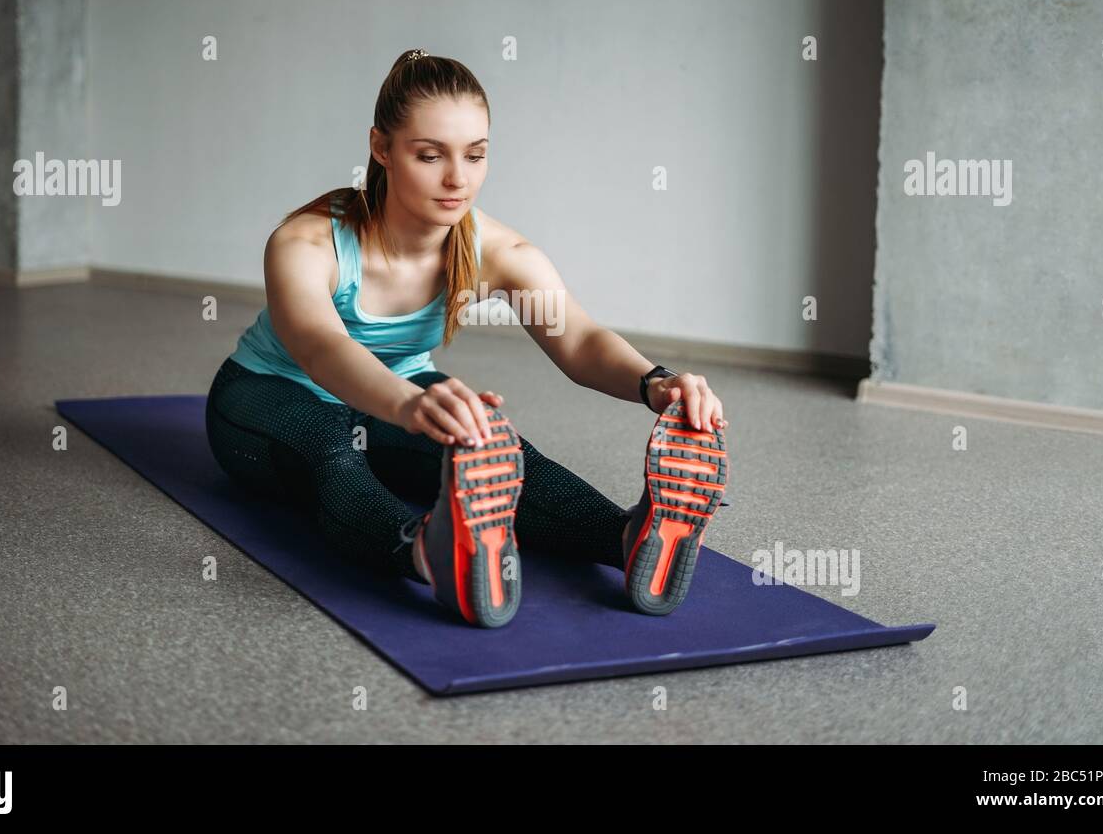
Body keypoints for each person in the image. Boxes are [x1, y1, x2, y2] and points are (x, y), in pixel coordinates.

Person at [205, 49, 729, 628]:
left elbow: (577, 340)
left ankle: (626, 538)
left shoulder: (497, 251)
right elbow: (320, 348)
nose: (458, 179)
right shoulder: (307, 242)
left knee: (496, 445)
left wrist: (657, 382)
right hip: (266, 395)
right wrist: (410, 403)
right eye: (430, 156)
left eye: (475, 156)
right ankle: (428, 551)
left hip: (401, 396)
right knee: (333, 449)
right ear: (381, 148)